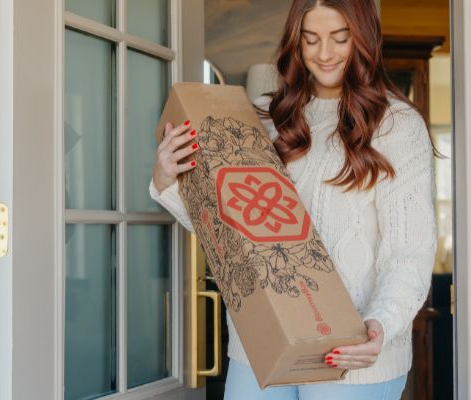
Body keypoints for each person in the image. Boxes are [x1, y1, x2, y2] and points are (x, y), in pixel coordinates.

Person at [149, 0, 440, 398]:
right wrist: (167, 181)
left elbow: (410, 251)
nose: (324, 53)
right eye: (311, 39)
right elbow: (232, 233)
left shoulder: (397, 127)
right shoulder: (268, 118)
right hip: (261, 349)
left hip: (352, 356)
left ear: (364, 39)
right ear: (296, 44)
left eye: (341, 38)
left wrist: (380, 324)